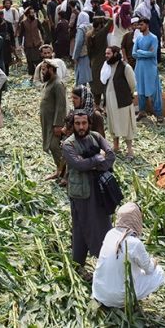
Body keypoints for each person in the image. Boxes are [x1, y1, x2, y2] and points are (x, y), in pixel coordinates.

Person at [61, 111, 117, 277]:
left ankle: (105, 260)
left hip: (99, 191)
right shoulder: (68, 145)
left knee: (103, 224)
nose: (81, 127)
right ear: (73, 125)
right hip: (81, 193)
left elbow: (111, 156)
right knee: (81, 226)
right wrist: (98, 159)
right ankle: (79, 264)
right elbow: (78, 164)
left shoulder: (96, 137)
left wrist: (93, 163)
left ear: (89, 123)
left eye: (84, 123)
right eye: (77, 124)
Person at [91, 202, 165, 308]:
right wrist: (154, 261)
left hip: (99, 291)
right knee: (159, 273)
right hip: (118, 296)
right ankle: (127, 302)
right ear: (136, 219)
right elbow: (149, 269)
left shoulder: (110, 233)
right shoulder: (134, 243)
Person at [100, 46, 138, 159]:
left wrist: (128, 94)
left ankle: (130, 150)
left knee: (126, 125)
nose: (106, 56)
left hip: (122, 101)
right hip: (110, 101)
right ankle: (116, 146)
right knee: (113, 123)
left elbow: (132, 84)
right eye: (106, 54)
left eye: (108, 54)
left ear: (116, 54)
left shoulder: (126, 67)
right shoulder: (107, 67)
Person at [39, 61, 69, 181]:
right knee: (52, 146)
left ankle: (65, 173)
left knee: (54, 146)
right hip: (47, 122)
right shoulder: (48, 83)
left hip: (54, 123)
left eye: (44, 70)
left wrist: (58, 125)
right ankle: (59, 170)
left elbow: (61, 106)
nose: (42, 72)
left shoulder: (58, 84)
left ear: (51, 69)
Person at [132, 17, 163, 122]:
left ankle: (159, 114)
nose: (139, 27)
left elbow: (153, 53)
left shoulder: (153, 38)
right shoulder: (138, 38)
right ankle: (142, 111)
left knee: (154, 91)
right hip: (139, 68)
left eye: (141, 25)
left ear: (147, 25)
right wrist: (144, 53)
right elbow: (133, 53)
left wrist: (140, 52)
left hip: (150, 69)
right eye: (138, 25)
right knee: (140, 91)